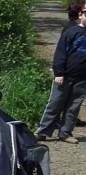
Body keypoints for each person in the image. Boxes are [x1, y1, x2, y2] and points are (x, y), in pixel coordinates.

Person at [34, 2, 86, 144]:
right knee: (55, 104)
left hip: (82, 79)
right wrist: (59, 73)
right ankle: (42, 131)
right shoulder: (71, 32)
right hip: (65, 77)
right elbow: (60, 54)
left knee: (73, 107)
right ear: (80, 15)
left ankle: (66, 132)